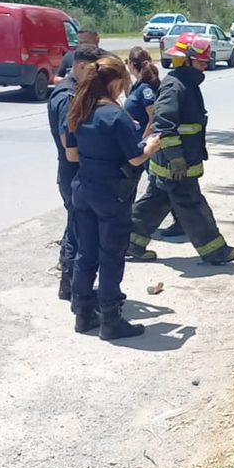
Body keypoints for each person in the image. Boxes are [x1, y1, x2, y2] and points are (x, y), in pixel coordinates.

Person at [65, 56, 162, 340]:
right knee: (111, 254)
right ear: (116, 83)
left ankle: (83, 313)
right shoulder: (115, 115)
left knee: (86, 252)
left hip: (83, 187)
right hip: (111, 192)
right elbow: (134, 158)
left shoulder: (78, 109)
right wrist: (151, 145)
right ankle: (110, 318)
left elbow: (72, 155)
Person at [128, 33, 234, 265]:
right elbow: (163, 125)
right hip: (176, 165)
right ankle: (215, 251)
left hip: (174, 163)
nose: (205, 64)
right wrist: (176, 158)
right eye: (201, 61)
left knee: (156, 202)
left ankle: (129, 243)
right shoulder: (175, 86)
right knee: (192, 204)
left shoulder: (185, 82)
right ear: (186, 59)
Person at [48, 44, 106, 302]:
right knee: (78, 233)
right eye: (95, 69)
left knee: (75, 229)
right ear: (82, 65)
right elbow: (67, 140)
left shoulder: (75, 90)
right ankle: (71, 286)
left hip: (73, 170)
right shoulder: (68, 96)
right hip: (73, 170)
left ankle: (69, 285)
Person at [126, 47, 184, 239]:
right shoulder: (137, 85)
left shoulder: (146, 89)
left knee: (158, 185)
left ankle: (180, 221)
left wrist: (144, 140)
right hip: (141, 144)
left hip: (148, 144)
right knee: (156, 185)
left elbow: (153, 117)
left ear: (131, 64)